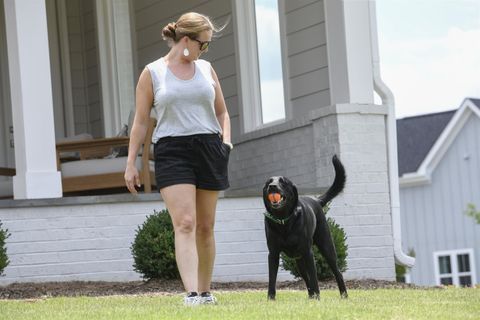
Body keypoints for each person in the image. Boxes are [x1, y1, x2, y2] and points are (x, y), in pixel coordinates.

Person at [124, 12, 232, 306]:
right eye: (203, 44)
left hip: (210, 148)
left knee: (206, 225)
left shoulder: (207, 69)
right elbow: (141, 122)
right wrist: (131, 162)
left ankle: (206, 292)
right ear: (186, 40)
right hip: (173, 151)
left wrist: (226, 143)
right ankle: (193, 294)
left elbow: (222, 112)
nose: (204, 50)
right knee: (185, 222)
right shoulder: (153, 73)